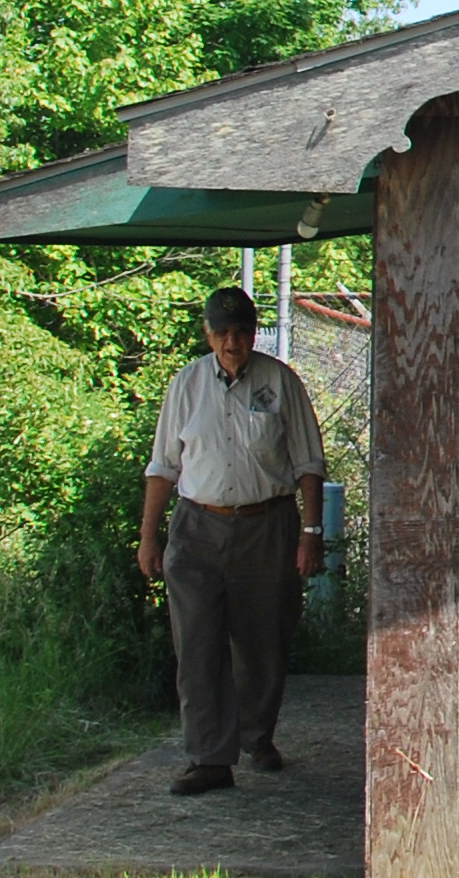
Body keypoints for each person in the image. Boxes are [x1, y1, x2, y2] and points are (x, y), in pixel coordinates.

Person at [139, 283, 327, 795]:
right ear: (208, 334)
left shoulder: (280, 382)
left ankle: (256, 737)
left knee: (263, 639)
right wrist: (149, 537)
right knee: (197, 643)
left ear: (254, 333)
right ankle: (208, 758)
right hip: (197, 525)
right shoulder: (187, 384)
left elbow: (309, 463)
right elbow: (163, 466)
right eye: (222, 332)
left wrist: (311, 533)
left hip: (266, 525)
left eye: (242, 331)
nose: (232, 342)